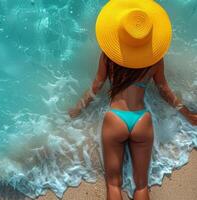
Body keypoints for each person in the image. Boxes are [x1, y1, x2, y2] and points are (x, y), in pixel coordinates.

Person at [68, 0, 197, 200]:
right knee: (141, 186)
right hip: (142, 121)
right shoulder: (155, 60)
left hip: (115, 120)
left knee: (113, 185)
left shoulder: (108, 57)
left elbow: (96, 88)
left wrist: (77, 109)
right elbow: (165, 91)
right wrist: (187, 114)